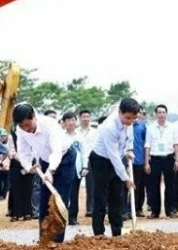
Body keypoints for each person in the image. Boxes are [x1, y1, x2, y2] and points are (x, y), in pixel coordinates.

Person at [13, 104, 75, 244]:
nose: (27, 129)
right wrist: (29, 166)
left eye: (28, 124)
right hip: (45, 161)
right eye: (23, 127)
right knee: (45, 201)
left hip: (65, 159)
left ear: (34, 116)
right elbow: (23, 151)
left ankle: (56, 242)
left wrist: (51, 170)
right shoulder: (21, 130)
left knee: (59, 201)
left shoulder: (50, 125)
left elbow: (57, 151)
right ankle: (44, 240)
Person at [89, 98, 138, 237]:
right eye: (127, 118)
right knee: (101, 197)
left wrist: (129, 150)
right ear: (119, 112)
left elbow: (129, 137)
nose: (130, 121)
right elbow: (114, 156)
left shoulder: (129, 121)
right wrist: (126, 178)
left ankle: (117, 232)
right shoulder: (109, 127)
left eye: (133, 119)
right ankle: (99, 233)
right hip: (101, 160)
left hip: (117, 157)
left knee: (117, 197)